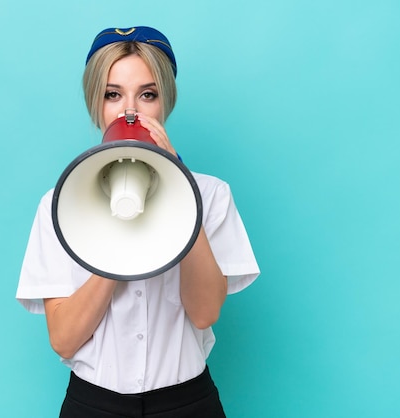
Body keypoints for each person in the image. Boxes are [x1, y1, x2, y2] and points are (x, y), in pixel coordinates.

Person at [16, 26, 260, 418]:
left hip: (187, 402)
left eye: (148, 94)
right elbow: (63, 339)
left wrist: (181, 194)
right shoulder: (59, 204)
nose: (130, 110)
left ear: (166, 103)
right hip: (94, 404)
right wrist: (120, 242)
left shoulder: (211, 195)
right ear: (96, 103)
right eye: (113, 94)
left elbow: (204, 313)